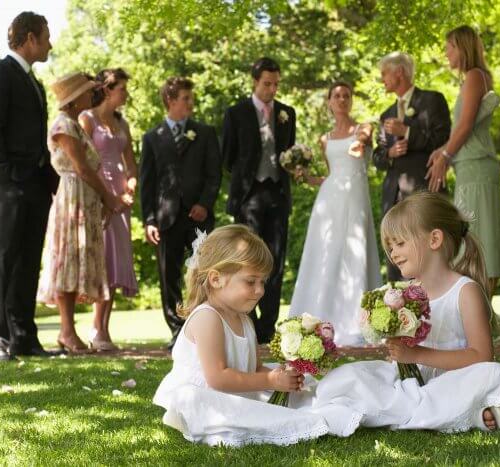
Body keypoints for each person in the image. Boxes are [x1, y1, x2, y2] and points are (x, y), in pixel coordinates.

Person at [313, 192, 500, 433]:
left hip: (454, 380)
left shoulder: (465, 292)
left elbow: (482, 357)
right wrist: (395, 344)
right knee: (349, 376)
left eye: (400, 243)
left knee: (494, 373)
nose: (393, 254)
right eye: (390, 246)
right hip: (412, 380)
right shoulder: (407, 293)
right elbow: (408, 353)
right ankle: (458, 412)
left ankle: (470, 412)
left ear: (434, 239)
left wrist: (417, 354)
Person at [153, 225, 363, 446]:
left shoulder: (243, 319)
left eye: (262, 282)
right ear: (216, 279)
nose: (260, 290)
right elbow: (218, 378)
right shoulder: (208, 318)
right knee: (282, 417)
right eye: (250, 281)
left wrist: (280, 377)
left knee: (303, 398)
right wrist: (270, 380)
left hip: (234, 390)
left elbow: (252, 368)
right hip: (208, 397)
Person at [0, 12, 60, 360]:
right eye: (46, 37)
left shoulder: (33, 82)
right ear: (28, 39)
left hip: (36, 185)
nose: (50, 44)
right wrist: (5, 177)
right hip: (8, 184)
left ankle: (24, 337)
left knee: (27, 262)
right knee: (2, 258)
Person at [288, 82, 382, 346]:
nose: (341, 100)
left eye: (346, 96)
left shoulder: (363, 128)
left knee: (355, 250)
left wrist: (358, 145)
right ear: (329, 101)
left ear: (351, 100)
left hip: (355, 199)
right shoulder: (324, 139)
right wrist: (307, 177)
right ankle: (321, 316)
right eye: (336, 96)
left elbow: (363, 142)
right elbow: (331, 176)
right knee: (326, 253)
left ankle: (356, 320)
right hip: (328, 201)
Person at [37, 73, 122, 354]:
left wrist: (100, 201)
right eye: (87, 92)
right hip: (73, 199)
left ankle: (68, 331)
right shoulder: (64, 126)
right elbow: (82, 168)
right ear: (74, 99)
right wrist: (108, 198)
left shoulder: (75, 125)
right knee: (67, 262)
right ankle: (66, 331)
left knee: (76, 262)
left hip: (84, 199)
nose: (92, 96)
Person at [139, 77, 222, 350]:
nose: (191, 102)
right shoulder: (152, 138)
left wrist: (205, 204)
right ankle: (178, 331)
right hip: (166, 218)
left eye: (190, 97)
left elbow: (213, 174)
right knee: (169, 275)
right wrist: (149, 219)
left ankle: (206, 327)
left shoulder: (205, 132)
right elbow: (147, 182)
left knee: (206, 273)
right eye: (185, 98)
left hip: (199, 216)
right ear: (170, 101)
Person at [426, 25, 500, 297]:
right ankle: (476, 317)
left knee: (481, 241)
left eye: (449, 47)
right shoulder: (470, 79)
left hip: (478, 169)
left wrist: (446, 156)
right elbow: (462, 128)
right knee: (471, 240)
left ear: (462, 47)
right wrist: (443, 150)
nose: (446, 53)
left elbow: (467, 124)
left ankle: (482, 318)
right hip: (469, 169)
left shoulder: (474, 76)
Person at [222, 57, 296, 343]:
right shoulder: (236, 113)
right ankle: (248, 322)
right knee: (247, 261)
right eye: (267, 83)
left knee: (275, 260)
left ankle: (268, 327)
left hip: (278, 195)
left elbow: (288, 154)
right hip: (248, 197)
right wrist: (247, 178)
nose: (272, 89)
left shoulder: (287, 113)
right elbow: (227, 158)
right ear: (255, 82)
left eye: (276, 84)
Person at [373, 52, 451, 281]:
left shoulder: (432, 100)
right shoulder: (385, 114)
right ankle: (397, 309)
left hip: (422, 189)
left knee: (426, 253)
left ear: (399, 72)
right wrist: (389, 152)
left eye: (384, 73)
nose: (382, 79)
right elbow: (377, 158)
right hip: (392, 195)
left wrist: (407, 132)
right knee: (395, 256)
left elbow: (443, 139)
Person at [80, 68, 138, 351]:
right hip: (99, 197)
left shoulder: (122, 123)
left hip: (121, 202)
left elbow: (131, 163)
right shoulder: (87, 119)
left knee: (114, 264)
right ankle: (95, 328)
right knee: (100, 262)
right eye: (122, 89)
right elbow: (83, 160)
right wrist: (106, 196)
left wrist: (130, 189)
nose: (126, 94)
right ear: (107, 89)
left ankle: (103, 329)